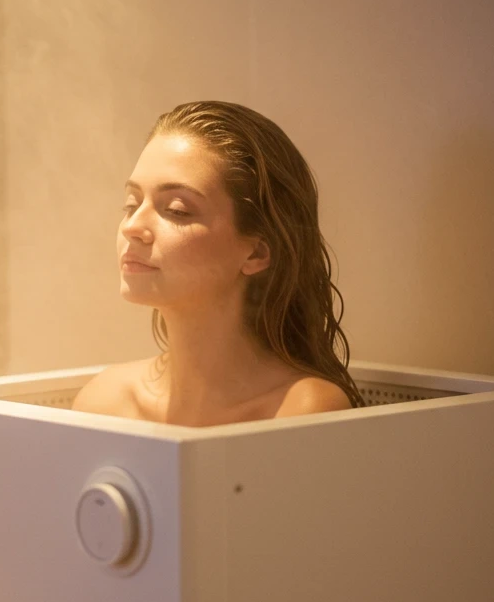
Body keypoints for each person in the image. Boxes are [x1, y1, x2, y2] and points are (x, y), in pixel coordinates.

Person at [73, 100, 364, 426]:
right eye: (132, 203)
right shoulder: (104, 402)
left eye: (177, 209)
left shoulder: (301, 410)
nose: (132, 227)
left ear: (256, 253)